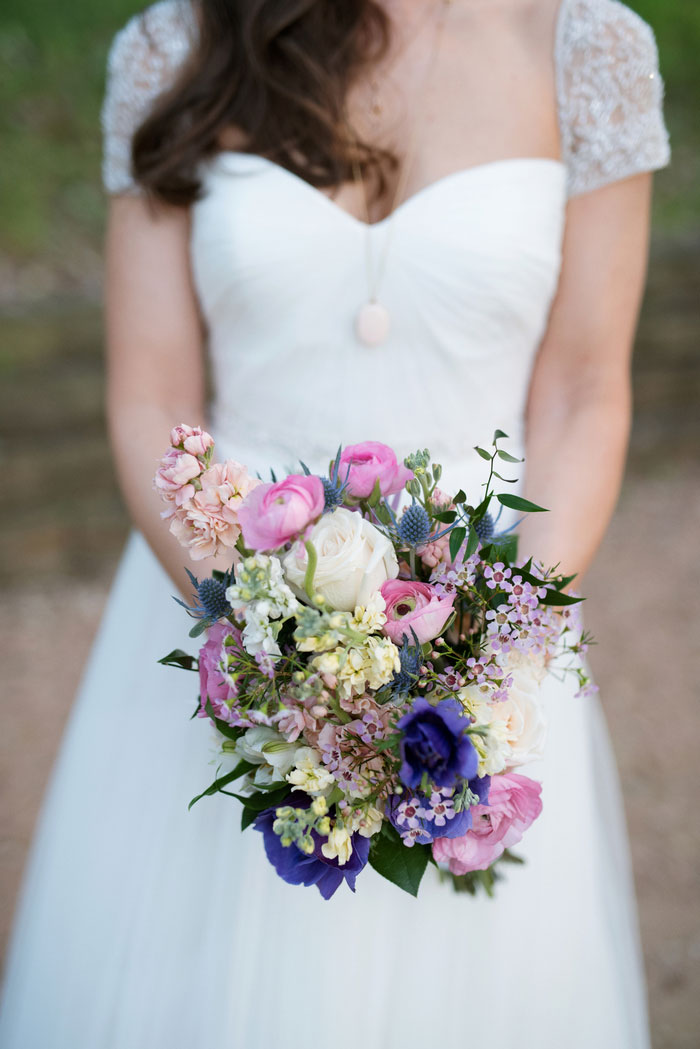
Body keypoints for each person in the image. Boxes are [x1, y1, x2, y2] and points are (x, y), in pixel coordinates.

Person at [0, 0, 670, 1046]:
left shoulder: (587, 47)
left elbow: (585, 389)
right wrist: (258, 634)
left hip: (486, 616)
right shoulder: (176, 47)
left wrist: (492, 641)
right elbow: (150, 399)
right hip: (219, 600)